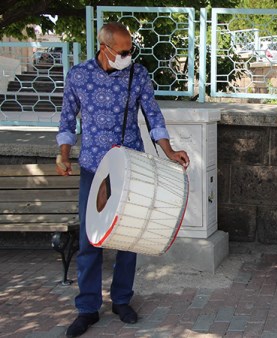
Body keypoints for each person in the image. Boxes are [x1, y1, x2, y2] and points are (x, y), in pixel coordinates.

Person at [56, 22, 190, 338]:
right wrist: (63, 153)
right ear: (105, 48)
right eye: (124, 51)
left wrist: (169, 151)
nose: (129, 55)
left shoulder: (137, 74)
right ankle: (87, 308)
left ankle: (121, 300)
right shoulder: (78, 76)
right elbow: (66, 120)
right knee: (91, 240)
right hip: (92, 167)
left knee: (129, 236)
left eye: (131, 49)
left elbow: (153, 115)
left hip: (131, 168)